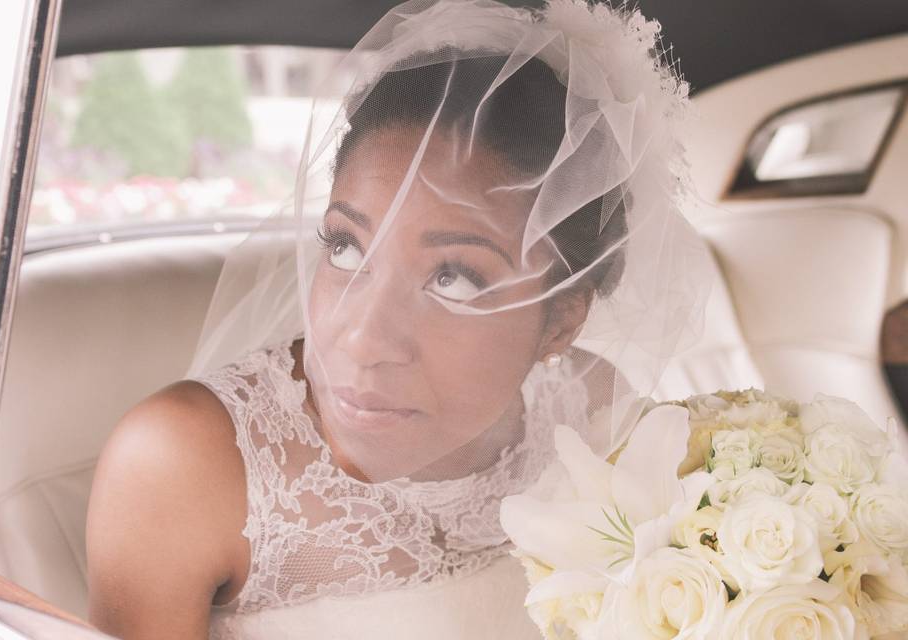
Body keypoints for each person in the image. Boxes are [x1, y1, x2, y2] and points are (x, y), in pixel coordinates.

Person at [85, 1, 710, 638]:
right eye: (345, 246)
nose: (360, 340)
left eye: (453, 278)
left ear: (561, 323)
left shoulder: (593, 413)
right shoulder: (182, 463)